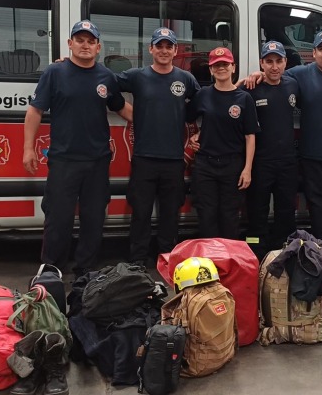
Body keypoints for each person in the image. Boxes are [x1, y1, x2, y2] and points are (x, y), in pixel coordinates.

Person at [23, 20, 132, 277]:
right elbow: (35, 110)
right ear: (70, 44)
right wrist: (28, 148)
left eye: (90, 41)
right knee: (57, 219)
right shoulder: (54, 73)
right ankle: (51, 270)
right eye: (80, 40)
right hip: (64, 160)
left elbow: (121, 107)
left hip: (97, 160)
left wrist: (154, 119)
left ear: (98, 47)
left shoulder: (106, 76)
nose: (85, 45)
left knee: (93, 220)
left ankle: (86, 271)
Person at [245, 30, 322, 247]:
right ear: (313, 53)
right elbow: (273, 76)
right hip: (312, 157)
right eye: (321, 49)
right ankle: (321, 251)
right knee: (317, 208)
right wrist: (252, 76)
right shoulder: (300, 75)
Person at [116, 27, 200, 265]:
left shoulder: (186, 79)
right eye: (159, 46)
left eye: (169, 46)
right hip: (144, 158)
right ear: (151, 49)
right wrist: (129, 112)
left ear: (175, 50)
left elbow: (206, 103)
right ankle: (138, 262)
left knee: (170, 215)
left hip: (174, 160)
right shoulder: (136, 76)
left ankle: (167, 259)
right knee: (141, 214)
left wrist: (198, 131)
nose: (164, 50)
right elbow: (106, 85)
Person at [188, 47, 260, 240]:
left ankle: (228, 263)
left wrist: (247, 169)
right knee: (206, 216)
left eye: (225, 64)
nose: (221, 68)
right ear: (211, 70)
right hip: (205, 165)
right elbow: (188, 118)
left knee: (230, 218)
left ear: (233, 67)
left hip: (233, 165)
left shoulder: (244, 98)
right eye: (216, 65)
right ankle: (209, 263)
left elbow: (250, 136)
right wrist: (195, 135)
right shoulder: (203, 95)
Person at [241, 41, 300, 252]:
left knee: (286, 212)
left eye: (278, 61)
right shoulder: (251, 87)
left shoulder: (293, 85)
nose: (274, 66)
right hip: (261, 162)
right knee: (257, 213)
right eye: (269, 62)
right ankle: (256, 255)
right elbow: (227, 93)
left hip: (287, 162)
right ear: (261, 63)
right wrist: (247, 77)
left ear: (285, 63)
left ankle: (282, 254)